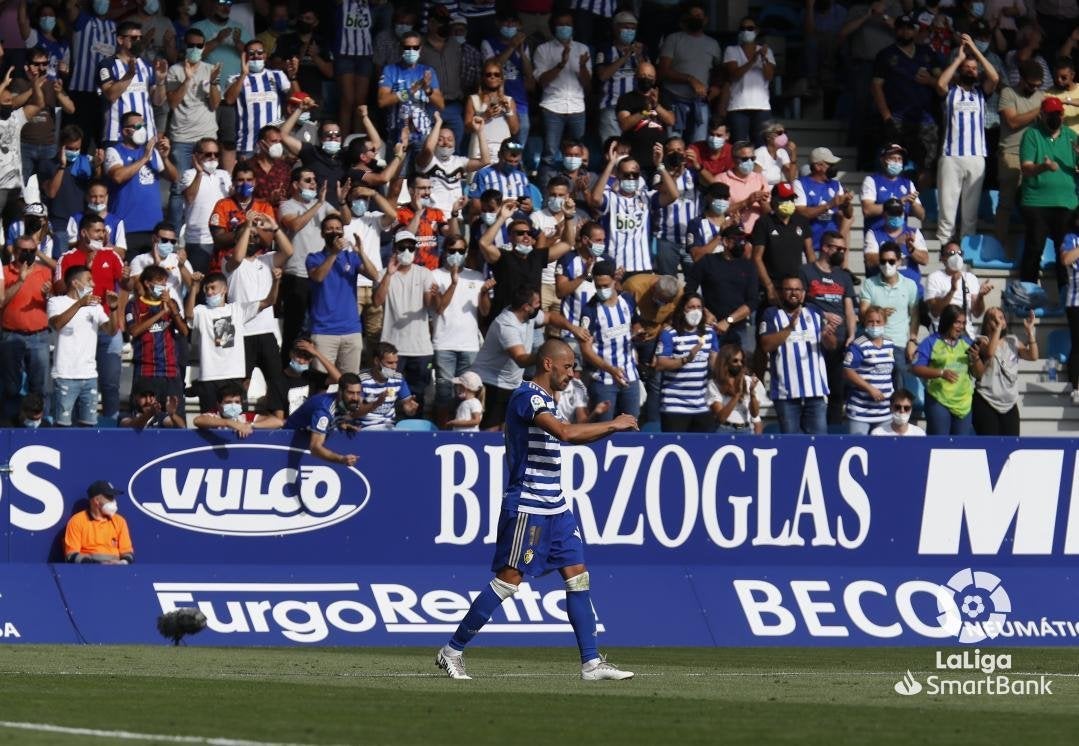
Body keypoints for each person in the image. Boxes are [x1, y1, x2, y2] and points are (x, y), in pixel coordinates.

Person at [436, 338, 637, 681]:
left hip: (556, 506)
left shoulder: (547, 400)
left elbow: (573, 436)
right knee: (509, 581)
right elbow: (565, 433)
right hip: (528, 505)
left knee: (578, 576)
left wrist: (609, 430)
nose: (572, 374)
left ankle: (591, 664)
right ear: (548, 364)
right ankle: (451, 650)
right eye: (569, 366)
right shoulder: (527, 396)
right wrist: (613, 424)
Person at [472, 285, 590, 431]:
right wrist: (547, 356)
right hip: (491, 381)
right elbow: (520, 359)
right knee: (490, 429)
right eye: (537, 303)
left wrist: (574, 329)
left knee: (510, 426)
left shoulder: (527, 316)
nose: (540, 306)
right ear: (526, 307)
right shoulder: (507, 325)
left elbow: (551, 317)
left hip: (511, 382)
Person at [185, 268, 281, 414]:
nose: (209, 292)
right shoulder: (201, 310)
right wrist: (193, 287)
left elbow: (268, 302)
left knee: (237, 418)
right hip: (209, 376)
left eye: (213, 288)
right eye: (206, 289)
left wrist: (276, 281)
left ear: (224, 289)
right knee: (210, 418)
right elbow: (189, 314)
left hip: (233, 376)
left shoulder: (237, 309)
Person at [934, 33, 999, 245]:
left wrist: (976, 52)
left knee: (970, 211)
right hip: (951, 155)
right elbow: (941, 83)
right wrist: (959, 59)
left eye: (974, 68)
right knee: (948, 206)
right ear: (961, 69)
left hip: (977, 156)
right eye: (967, 67)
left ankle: (966, 249)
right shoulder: (951, 92)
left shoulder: (981, 92)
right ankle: (945, 246)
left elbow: (995, 77)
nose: (971, 70)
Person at [759, 275, 838, 434]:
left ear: (803, 293)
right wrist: (789, 328)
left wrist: (827, 336)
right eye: (788, 289)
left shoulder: (815, 312)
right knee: (791, 446)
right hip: (786, 394)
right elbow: (765, 345)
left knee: (819, 444)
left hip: (815, 392)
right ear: (781, 292)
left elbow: (832, 345)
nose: (793, 293)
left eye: (797, 289)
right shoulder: (771, 314)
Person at [306, 215, 380, 382]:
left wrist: (361, 253)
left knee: (350, 382)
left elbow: (374, 275)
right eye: (330, 229)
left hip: (351, 331)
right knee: (321, 383)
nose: (334, 232)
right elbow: (318, 277)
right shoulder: (314, 258)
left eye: (338, 228)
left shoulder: (351, 258)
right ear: (322, 234)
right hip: (323, 331)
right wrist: (333, 254)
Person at [871, 14, 942, 184]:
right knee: (893, 163)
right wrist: (886, 117)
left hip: (926, 120)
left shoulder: (927, 53)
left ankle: (920, 203)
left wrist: (930, 81)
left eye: (909, 28)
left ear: (915, 31)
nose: (905, 31)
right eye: (901, 27)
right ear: (896, 30)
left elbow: (943, 83)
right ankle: (893, 201)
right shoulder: (885, 55)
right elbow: (876, 87)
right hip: (897, 118)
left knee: (927, 165)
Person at [48, 264, 121, 427]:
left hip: (89, 376)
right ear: (75, 283)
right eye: (89, 280)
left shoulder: (95, 307)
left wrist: (114, 308)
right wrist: (80, 304)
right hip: (65, 375)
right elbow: (57, 324)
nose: (93, 284)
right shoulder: (56, 301)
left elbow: (111, 330)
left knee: (88, 426)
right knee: (62, 425)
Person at [591, 142, 679, 275]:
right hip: (615, 267)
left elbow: (673, 194)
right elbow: (595, 199)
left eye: (635, 174)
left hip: (642, 266)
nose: (631, 178)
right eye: (627, 175)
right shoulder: (611, 198)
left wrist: (660, 166)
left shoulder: (646, 198)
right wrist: (611, 164)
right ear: (618, 175)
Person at [165, 28, 222, 233]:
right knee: (179, 188)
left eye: (199, 45)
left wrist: (214, 82)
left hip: (207, 137)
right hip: (181, 137)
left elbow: (215, 104)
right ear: (184, 46)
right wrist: (188, 80)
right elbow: (172, 103)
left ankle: (205, 231)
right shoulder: (174, 70)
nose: (195, 49)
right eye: (191, 45)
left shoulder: (210, 69)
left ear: (204, 47)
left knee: (207, 186)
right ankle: (173, 234)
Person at [374, 231, 439, 407]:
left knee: (417, 397)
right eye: (403, 247)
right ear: (394, 249)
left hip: (420, 349)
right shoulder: (383, 274)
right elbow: (377, 301)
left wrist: (434, 296)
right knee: (389, 394)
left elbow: (428, 304)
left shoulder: (424, 273)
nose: (407, 251)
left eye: (411, 247)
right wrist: (389, 273)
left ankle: (415, 430)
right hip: (392, 348)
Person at [432, 234, 492, 426]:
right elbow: (439, 307)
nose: (456, 254)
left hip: (470, 345)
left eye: (460, 251)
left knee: (469, 395)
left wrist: (483, 293)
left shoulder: (476, 276)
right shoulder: (435, 275)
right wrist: (453, 282)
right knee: (443, 392)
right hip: (444, 343)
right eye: (452, 251)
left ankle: (464, 431)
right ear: (444, 251)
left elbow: (484, 311)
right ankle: (441, 433)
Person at [1018, 96, 1078, 284]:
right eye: (1051, 114)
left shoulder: (1071, 137)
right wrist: (1043, 167)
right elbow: (1026, 168)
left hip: (1067, 204)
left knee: (1065, 250)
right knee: (1035, 247)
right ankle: (1027, 290)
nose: (1055, 117)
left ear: (1063, 114)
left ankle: (1065, 294)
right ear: (1042, 115)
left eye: (1058, 114)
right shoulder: (1031, 134)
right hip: (1037, 202)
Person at [800, 231, 857, 424]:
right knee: (811, 391)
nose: (841, 252)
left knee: (837, 392)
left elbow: (849, 309)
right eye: (838, 248)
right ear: (825, 248)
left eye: (844, 249)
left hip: (839, 342)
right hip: (813, 341)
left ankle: (833, 432)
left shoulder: (844, 276)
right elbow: (798, 303)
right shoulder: (806, 271)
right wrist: (822, 314)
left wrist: (851, 334)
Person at [104, 111, 179, 255]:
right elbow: (118, 176)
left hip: (154, 228)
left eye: (143, 125)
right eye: (138, 126)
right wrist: (145, 158)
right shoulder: (114, 151)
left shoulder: (152, 152)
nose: (142, 129)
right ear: (126, 131)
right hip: (127, 227)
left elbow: (174, 177)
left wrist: (165, 158)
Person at [532, 10, 590, 183]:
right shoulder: (543, 49)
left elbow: (588, 85)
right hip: (552, 106)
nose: (565, 28)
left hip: (577, 107)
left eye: (568, 24)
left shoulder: (582, 49)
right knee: (549, 154)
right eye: (561, 24)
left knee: (577, 154)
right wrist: (561, 64)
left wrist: (582, 67)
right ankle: (546, 190)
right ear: (553, 28)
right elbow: (541, 81)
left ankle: (576, 189)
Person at [579, 260, 641, 420]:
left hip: (629, 376)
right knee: (603, 428)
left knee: (631, 426)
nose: (601, 290)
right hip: (603, 379)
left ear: (614, 280)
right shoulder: (589, 310)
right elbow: (585, 350)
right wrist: (610, 369)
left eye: (605, 286)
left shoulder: (627, 300)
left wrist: (637, 333)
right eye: (598, 286)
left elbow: (636, 324)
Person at [0, 235, 53, 421]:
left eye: (32, 251)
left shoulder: (45, 272)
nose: (28, 254)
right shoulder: (4, 272)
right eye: (24, 250)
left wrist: (49, 296)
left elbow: (54, 306)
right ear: (14, 252)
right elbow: (1, 301)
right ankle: (10, 425)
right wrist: (20, 280)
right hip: (11, 336)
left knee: (41, 387)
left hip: (39, 336)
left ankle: (42, 424)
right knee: (11, 388)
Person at [859, 241, 922, 397]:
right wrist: (879, 313)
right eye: (883, 261)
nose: (887, 264)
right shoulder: (869, 284)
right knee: (876, 392)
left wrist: (912, 341)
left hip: (899, 346)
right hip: (874, 344)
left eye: (892, 261)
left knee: (900, 394)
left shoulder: (910, 285)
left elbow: (915, 315)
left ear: (899, 262)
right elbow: (863, 313)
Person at [684, 224, 759, 353]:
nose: (742, 244)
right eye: (737, 240)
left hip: (738, 327)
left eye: (744, 240)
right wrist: (704, 313)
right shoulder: (707, 262)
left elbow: (752, 301)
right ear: (725, 241)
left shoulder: (749, 267)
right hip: (709, 326)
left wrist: (728, 321)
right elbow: (689, 291)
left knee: (736, 367)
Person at [125, 263, 189, 412]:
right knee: (144, 416)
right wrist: (161, 314)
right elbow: (134, 331)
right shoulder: (134, 305)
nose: (163, 285)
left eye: (164, 282)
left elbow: (184, 332)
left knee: (174, 419)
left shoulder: (171, 303)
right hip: (145, 371)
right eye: (159, 281)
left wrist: (173, 310)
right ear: (147, 283)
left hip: (171, 371)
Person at [997, 60, 1046, 251]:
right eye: (1031, 84)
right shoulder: (1008, 93)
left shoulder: (1042, 96)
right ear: (1021, 79)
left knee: (1035, 205)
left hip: (1035, 156)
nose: (1034, 88)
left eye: (1038, 85)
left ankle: (1034, 247)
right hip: (1011, 153)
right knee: (1006, 203)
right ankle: (999, 245)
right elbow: (1013, 121)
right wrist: (1039, 111)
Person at [653, 292, 719, 432]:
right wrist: (686, 359)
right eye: (691, 307)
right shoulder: (669, 334)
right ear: (683, 309)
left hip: (701, 405)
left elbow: (715, 364)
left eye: (698, 307)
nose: (695, 311)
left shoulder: (709, 333)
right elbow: (661, 364)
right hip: (674, 406)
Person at [659, 2, 721, 144]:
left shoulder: (713, 44)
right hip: (674, 101)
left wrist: (717, 86)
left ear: (705, 20)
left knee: (698, 145)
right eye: (692, 16)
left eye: (698, 16)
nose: (695, 18)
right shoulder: (674, 39)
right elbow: (663, 71)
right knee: (674, 145)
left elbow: (719, 71)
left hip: (700, 103)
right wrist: (690, 79)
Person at [970, 307, 1038, 435]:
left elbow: (1033, 356)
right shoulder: (981, 341)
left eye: (1001, 318)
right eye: (994, 319)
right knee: (990, 445)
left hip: (1009, 403)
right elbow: (990, 352)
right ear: (987, 323)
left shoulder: (1012, 340)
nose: (999, 321)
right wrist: (998, 329)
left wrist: (1030, 332)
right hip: (986, 400)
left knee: (1011, 446)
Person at [912, 304, 977, 435]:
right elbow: (916, 368)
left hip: (963, 402)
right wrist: (941, 373)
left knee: (961, 447)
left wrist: (976, 359)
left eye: (963, 323)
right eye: (957, 322)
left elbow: (978, 373)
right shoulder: (930, 341)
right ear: (948, 321)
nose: (961, 327)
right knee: (940, 444)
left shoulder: (967, 342)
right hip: (938, 399)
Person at [753, 182, 815, 308]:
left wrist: (813, 281)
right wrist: (769, 286)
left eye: (791, 199)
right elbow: (757, 257)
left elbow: (810, 253)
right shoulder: (763, 223)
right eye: (785, 199)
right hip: (773, 284)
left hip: (796, 285)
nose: (789, 202)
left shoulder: (801, 221)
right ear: (774, 201)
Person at [283, 372, 364, 465]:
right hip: (287, 439)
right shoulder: (323, 411)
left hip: (306, 436)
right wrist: (341, 459)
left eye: (358, 393)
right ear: (340, 391)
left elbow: (335, 414)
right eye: (351, 393)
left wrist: (341, 423)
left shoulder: (343, 401)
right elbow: (315, 448)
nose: (355, 398)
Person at [615, 62, 675, 180]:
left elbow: (671, 120)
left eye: (650, 77)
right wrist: (644, 111)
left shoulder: (663, 97)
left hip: (658, 160)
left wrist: (656, 105)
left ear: (655, 79)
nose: (646, 79)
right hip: (636, 159)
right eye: (642, 76)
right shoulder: (627, 99)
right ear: (636, 77)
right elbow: (624, 124)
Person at [594, 10, 647, 144]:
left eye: (633, 28)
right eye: (625, 27)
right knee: (613, 148)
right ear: (615, 28)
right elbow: (602, 76)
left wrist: (639, 56)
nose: (629, 31)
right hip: (612, 106)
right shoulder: (605, 49)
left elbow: (648, 76)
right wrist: (625, 57)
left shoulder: (642, 50)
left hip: (638, 109)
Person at [843, 305, 896, 434]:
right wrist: (870, 389)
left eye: (878, 322)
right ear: (865, 322)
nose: (874, 325)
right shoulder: (858, 345)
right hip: (861, 411)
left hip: (885, 411)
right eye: (870, 321)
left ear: (885, 323)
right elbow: (847, 371)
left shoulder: (890, 343)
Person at [723, 15, 775, 146]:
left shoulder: (767, 51)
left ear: (756, 30)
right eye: (743, 28)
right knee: (739, 145)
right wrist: (753, 61)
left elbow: (769, 76)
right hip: (737, 106)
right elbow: (734, 75)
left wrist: (763, 58)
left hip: (761, 106)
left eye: (750, 28)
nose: (746, 31)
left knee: (761, 146)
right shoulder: (731, 50)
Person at [794, 147, 854, 254]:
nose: (833, 168)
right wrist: (829, 205)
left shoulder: (835, 184)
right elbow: (802, 213)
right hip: (808, 247)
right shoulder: (800, 184)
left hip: (831, 248)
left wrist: (846, 203)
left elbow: (848, 215)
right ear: (818, 166)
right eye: (830, 165)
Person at [926, 240, 991, 337]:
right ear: (943, 258)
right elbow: (935, 311)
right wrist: (952, 290)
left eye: (959, 253)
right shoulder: (934, 278)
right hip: (942, 334)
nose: (956, 257)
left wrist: (980, 297)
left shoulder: (970, 278)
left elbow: (977, 313)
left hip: (965, 335)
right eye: (951, 253)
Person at [860, 143, 925, 234]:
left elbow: (921, 216)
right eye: (892, 158)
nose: (896, 162)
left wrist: (914, 204)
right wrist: (897, 204)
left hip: (903, 236)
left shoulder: (908, 183)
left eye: (899, 159)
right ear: (883, 160)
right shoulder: (872, 181)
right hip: (877, 234)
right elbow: (867, 210)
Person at [64, 480, 134, 565]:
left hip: (117, 570)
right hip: (87, 571)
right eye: (109, 497)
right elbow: (71, 554)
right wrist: (96, 565)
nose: (114, 501)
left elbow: (127, 552)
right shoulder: (77, 521)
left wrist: (122, 562)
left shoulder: (120, 521)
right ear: (96, 501)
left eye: (113, 497)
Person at [356, 342, 420, 430]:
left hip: (389, 428)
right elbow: (356, 413)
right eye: (390, 363)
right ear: (377, 361)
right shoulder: (360, 380)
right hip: (365, 429)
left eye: (396, 362)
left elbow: (408, 407)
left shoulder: (398, 379)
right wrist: (377, 403)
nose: (394, 367)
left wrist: (411, 410)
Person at [717, 140, 770, 234]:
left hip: (759, 235)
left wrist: (763, 203)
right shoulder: (721, 179)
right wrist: (747, 201)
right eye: (745, 159)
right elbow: (720, 211)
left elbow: (769, 213)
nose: (749, 162)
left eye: (752, 158)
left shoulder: (760, 178)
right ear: (733, 159)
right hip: (734, 235)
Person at [708, 343, 763, 434]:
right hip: (724, 429)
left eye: (741, 361)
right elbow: (721, 418)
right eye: (735, 361)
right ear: (725, 362)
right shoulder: (714, 384)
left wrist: (752, 393)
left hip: (745, 429)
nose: (739, 364)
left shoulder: (748, 381)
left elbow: (755, 414)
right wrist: (737, 395)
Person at [193, 381, 284, 436]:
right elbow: (197, 421)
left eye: (237, 402)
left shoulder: (245, 417)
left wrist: (251, 425)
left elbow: (278, 422)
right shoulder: (214, 416)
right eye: (228, 402)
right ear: (218, 404)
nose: (233, 405)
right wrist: (229, 423)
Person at [754, 122, 798, 186]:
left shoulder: (782, 152)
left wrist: (793, 153)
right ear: (768, 137)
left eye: (784, 132)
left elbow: (791, 178)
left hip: (776, 191)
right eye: (779, 133)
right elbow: (756, 181)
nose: (783, 136)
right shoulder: (759, 153)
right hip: (762, 191)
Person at [121, 387, 186, 429]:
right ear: (136, 398)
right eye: (143, 396)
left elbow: (182, 427)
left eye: (151, 396)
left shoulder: (160, 416)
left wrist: (172, 415)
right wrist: (149, 414)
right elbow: (132, 425)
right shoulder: (127, 415)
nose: (148, 401)